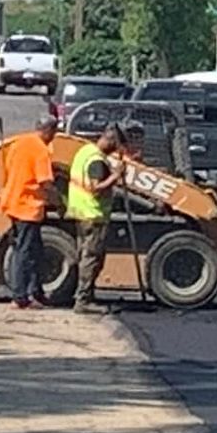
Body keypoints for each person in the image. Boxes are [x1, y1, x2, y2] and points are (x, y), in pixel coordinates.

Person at [1, 112, 60, 309]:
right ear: (48, 130)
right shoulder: (41, 151)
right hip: (28, 206)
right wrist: (58, 202)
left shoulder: (19, 144)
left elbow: (11, 168)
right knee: (24, 252)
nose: (55, 136)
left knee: (35, 250)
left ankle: (36, 291)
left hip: (13, 201)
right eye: (55, 131)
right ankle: (19, 296)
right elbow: (44, 182)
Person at [67, 124, 124, 314]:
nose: (115, 150)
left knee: (84, 255)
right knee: (91, 258)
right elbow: (95, 187)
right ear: (109, 140)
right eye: (115, 145)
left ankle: (81, 296)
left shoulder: (85, 151)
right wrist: (115, 176)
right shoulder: (97, 161)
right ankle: (83, 300)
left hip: (80, 211)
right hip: (93, 214)